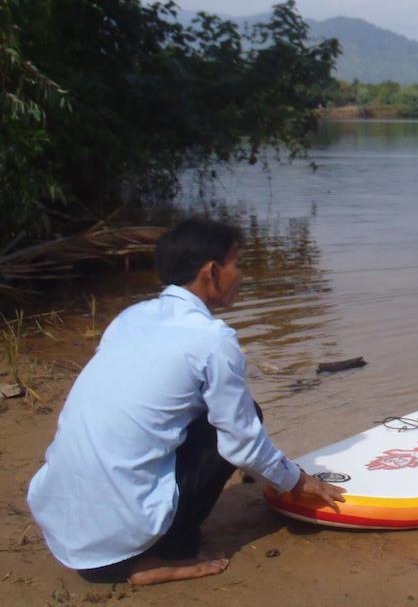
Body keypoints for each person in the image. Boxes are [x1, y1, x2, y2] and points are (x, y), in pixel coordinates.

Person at [27, 217, 345, 586]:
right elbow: (242, 445)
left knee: (202, 416)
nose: (240, 275)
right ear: (211, 272)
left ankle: (130, 546)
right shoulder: (212, 339)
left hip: (65, 520)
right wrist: (297, 480)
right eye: (235, 265)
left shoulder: (131, 317)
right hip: (121, 535)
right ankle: (170, 550)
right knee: (243, 419)